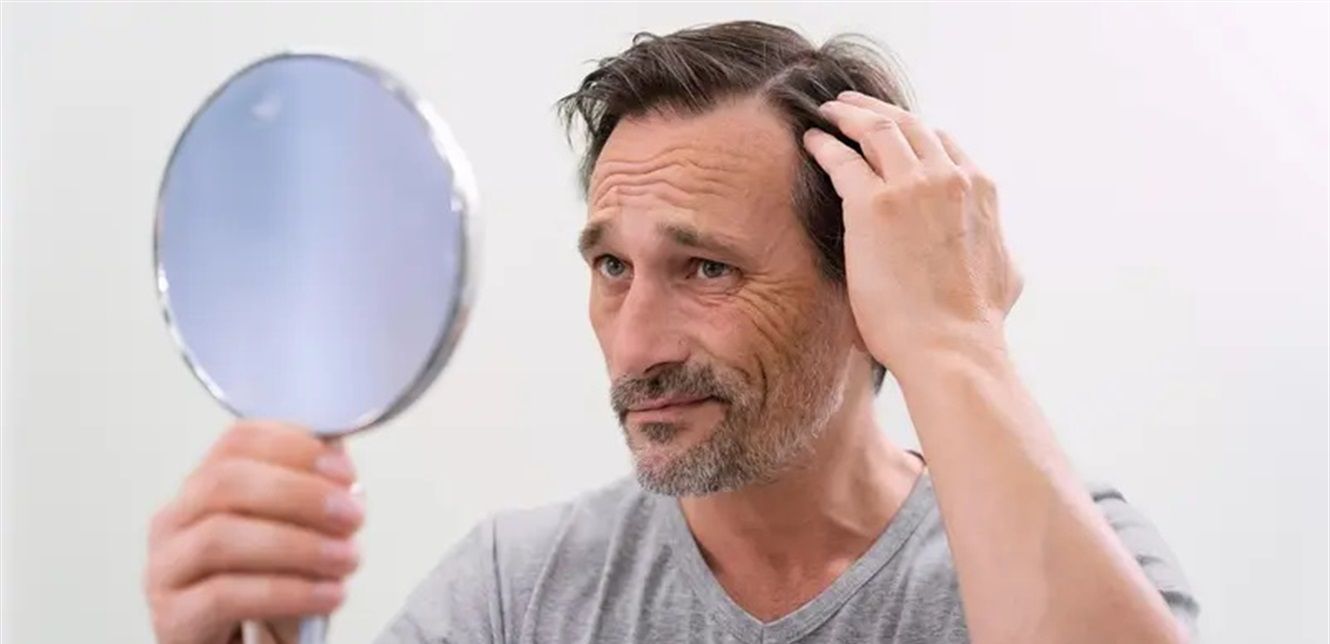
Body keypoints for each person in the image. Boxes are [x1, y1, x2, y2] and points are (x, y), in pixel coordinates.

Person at [144, 20, 1198, 644]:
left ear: (866, 287)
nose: (636, 344)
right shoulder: (520, 591)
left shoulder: (1063, 549)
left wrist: (955, 336)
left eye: (706, 268)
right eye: (612, 267)